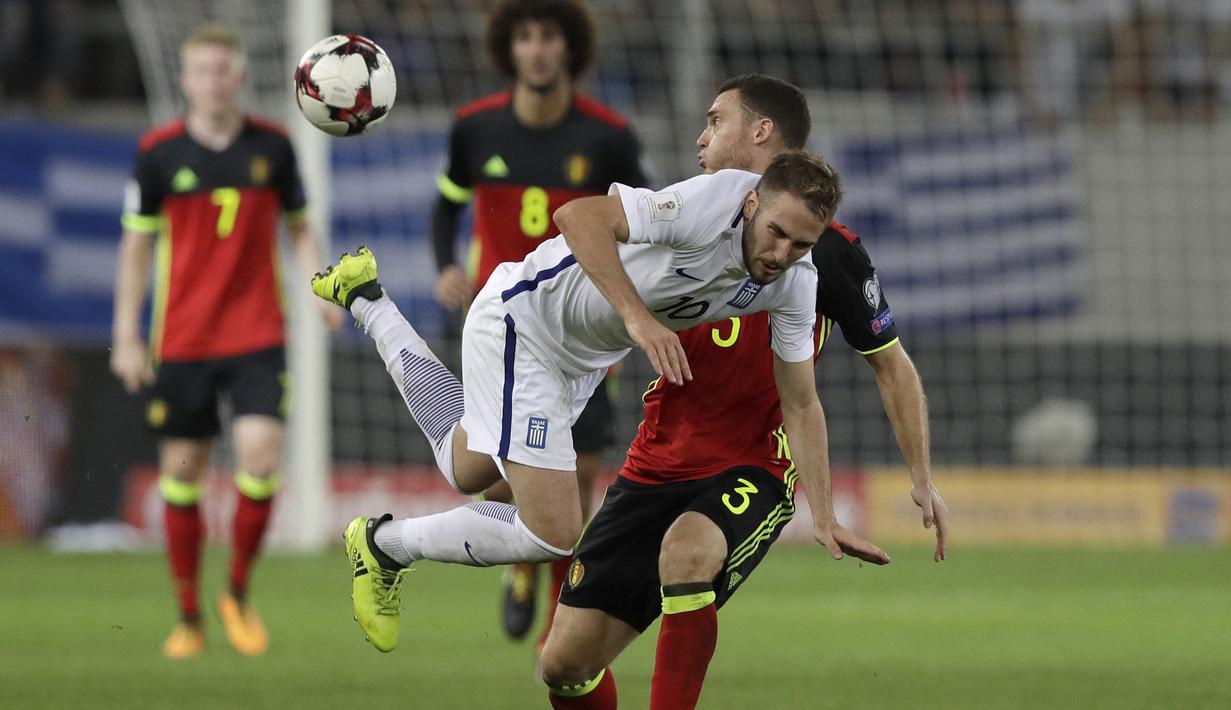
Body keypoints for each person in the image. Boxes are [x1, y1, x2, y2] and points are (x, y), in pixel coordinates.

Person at [313, 148, 888, 657]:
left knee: (466, 468)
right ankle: (385, 545)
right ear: (752, 203)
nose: (782, 253)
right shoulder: (709, 204)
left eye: (801, 244)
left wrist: (825, 514)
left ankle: (368, 300)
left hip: (580, 359)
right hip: (524, 320)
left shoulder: (795, 281)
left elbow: (800, 403)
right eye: (777, 232)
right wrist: (639, 320)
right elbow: (577, 217)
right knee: (554, 531)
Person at [535, 74, 950, 710]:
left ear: (760, 132)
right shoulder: (689, 209)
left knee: (686, 553)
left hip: (754, 464)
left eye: (716, 121)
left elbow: (890, 367)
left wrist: (920, 476)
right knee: (563, 665)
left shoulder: (827, 255)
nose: (702, 138)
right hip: (657, 460)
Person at [110, 22, 341, 659]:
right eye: (203, 71)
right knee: (181, 477)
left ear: (239, 78)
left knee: (260, 458)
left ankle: (236, 592)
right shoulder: (158, 153)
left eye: (223, 70)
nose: (214, 81)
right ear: (186, 81)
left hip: (257, 333)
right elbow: (136, 246)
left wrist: (319, 289)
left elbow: (299, 228)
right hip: (183, 339)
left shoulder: (274, 147)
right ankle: (188, 616)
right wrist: (126, 333)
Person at [431, 0, 646, 645]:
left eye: (549, 36)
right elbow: (445, 205)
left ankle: (559, 630)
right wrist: (446, 265)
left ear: (570, 46)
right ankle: (520, 562)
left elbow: (640, 224)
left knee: (577, 480)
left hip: (581, 334)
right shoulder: (474, 129)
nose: (538, 49)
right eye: (525, 37)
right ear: (509, 48)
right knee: (500, 474)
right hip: (500, 329)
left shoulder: (608, 137)